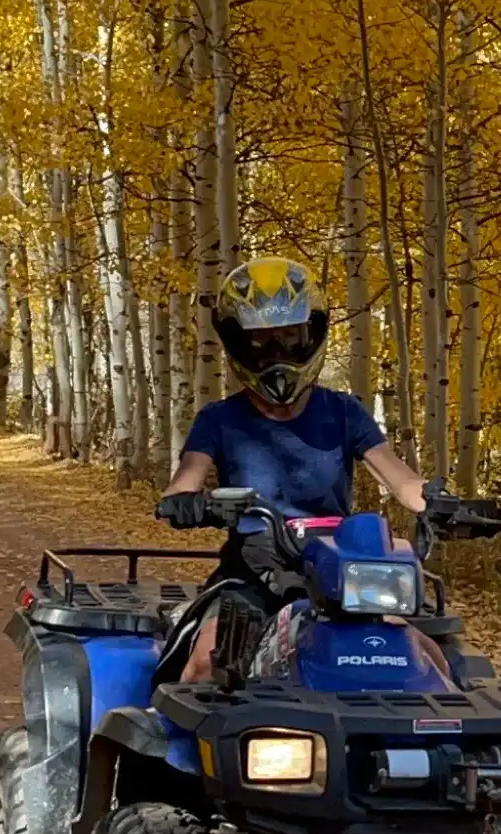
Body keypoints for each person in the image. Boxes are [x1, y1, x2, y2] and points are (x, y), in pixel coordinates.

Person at [157, 256, 428, 683]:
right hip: (251, 580)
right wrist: (186, 503)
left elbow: (401, 479)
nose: (277, 354)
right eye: (261, 343)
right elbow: (186, 479)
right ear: (236, 345)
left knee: (429, 661)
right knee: (209, 662)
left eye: (289, 338)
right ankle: (172, 748)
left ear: (314, 334)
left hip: (343, 577)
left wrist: (441, 503)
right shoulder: (220, 419)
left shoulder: (344, 412)